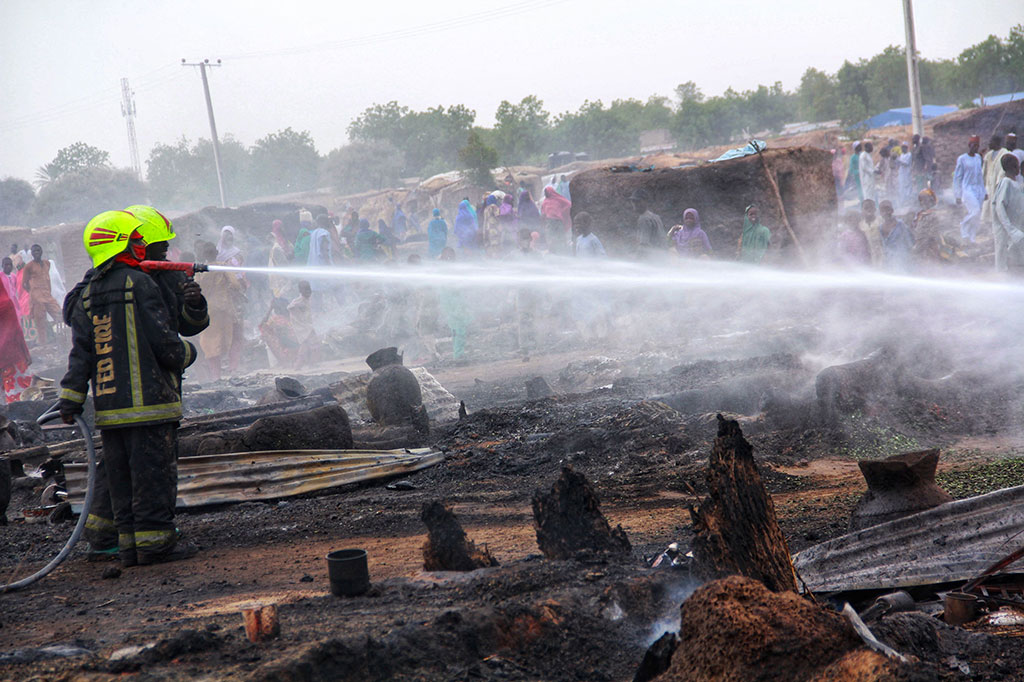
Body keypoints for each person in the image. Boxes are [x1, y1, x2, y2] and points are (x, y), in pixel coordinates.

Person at [59, 210, 199, 566]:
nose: (143, 246)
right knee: (153, 475)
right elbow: (165, 343)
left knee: (121, 479)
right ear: (123, 245)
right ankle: (155, 545)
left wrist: (71, 398)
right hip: (151, 404)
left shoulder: (89, 291)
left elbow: (81, 353)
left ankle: (127, 548)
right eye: (137, 240)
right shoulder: (140, 283)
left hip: (110, 410)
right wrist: (188, 353)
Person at [196, 241, 246, 380]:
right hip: (224, 308)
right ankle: (233, 370)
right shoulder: (223, 267)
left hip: (208, 310)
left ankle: (215, 376)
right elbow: (236, 284)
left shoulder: (200, 269)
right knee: (230, 338)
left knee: (210, 342)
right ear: (216, 253)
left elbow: (197, 287)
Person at [20, 244, 63, 344]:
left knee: (59, 315)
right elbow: (24, 284)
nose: (36, 253)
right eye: (34, 251)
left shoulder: (47, 263)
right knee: (40, 322)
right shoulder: (28, 266)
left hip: (47, 295)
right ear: (32, 253)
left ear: (41, 251)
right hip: (36, 297)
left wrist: (47, 290)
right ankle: (43, 345)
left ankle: (61, 340)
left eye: (38, 250)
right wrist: (33, 292)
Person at [0, 270, 31, 403]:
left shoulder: (6, 305)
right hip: (12, 357)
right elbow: (17, 332)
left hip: (9, 358)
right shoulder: (6, 304)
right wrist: (25, 353)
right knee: (18, 399)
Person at [437, 248, 470, 361]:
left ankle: (459, 353)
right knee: (457, 330)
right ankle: (458, 355)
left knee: (460, 329)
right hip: (451, 304)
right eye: (447, 256)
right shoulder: (442, 271)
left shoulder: (451, 269)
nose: (450, 258)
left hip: (456, 303)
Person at [992, 154, 1024, 272]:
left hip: (1015, 229)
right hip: (1006, 230)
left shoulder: (1017, 185)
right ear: (1012, 167)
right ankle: (1002, 282)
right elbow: (1000, 208)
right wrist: (1010, 229)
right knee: (1003, 258)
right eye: (1017, 166)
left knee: (1015, 258)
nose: (1019, 169)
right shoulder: (1006, 183)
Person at [953, 135, 986, 243]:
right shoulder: (962, 158)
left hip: (978, 189)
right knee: (975, 211)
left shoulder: (978, 158)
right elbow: (957, 177)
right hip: (967, 189)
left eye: (977, 145)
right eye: (973, 145)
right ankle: (963, 227)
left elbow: (980, 176)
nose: (975, 147)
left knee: (977, 215)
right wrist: (957, 194)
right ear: (969, 145)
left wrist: (984, 191)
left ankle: (972, 238)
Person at [259, 297, 299, 368]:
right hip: (300, 348)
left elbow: (261, 326)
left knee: (265, 332)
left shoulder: (276, 319)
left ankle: (285, 360)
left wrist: (270, 309)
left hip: (289, 350)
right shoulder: (292, 316)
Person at [288, 280, 320, 361]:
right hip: (304, 327)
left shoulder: (306, 299)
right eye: (305, 290)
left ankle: (299, 366)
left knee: (305, 345)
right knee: (313, 344)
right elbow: (290, 307)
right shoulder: (299, 300)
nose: (308, 291)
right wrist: (298, 311)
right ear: (300, 291)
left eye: (309, 289)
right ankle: (312, 363)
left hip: (306, 326)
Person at [878, 200, 914, 272]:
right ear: (880, 213)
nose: (885, 213)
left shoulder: (901, 225)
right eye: (883, 210)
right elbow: (882, 245)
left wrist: (910, 257)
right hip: (889, 261)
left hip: (902, 259)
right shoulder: (880, 228)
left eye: (887, 209)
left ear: (892, 210)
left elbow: (910, 242)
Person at [629, 189, 665, 258]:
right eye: (633, 201)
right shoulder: (656, 217)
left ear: (646, 202)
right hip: (661, 258)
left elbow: (644, 244)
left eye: (638, 201)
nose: (635, 204)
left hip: (651, 260)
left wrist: (637, 261)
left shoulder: (644, 219)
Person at [541, 186, 572, 254]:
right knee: (550, 237)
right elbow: (543, 213)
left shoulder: (558, 199)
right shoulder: (545, 202)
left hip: (558, 221)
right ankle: (552, 252)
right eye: (545, 192)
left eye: (547, 192)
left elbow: (568, 204)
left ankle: (563, 251)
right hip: (550, 221)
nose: (546, 193)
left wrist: (562, 211)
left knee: (560, 237)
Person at [982, 135, 1005, 226]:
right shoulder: (988, 155)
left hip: (998, 187)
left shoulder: (1004, 154)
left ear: (997, 143)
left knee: (997, 209)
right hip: (988, 187)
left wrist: (998, 184)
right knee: (987, 209)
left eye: (990, 142)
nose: (988, 144)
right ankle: (989, 230)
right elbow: (984, 172)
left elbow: (1003, 172)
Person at [268, 219, 291, 299]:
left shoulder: (282, 236)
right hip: (278, 265)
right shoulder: (273, 237)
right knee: (279, 287)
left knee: (282, 287)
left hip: (281, 264)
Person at [859, 199, 882, 266]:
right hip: (868, 257)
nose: (869, 209)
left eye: (871, 207)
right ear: (862, 211)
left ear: (875, 209)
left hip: (882, 254)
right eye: (866, 208)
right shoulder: (860, 225)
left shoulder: (881, 221)